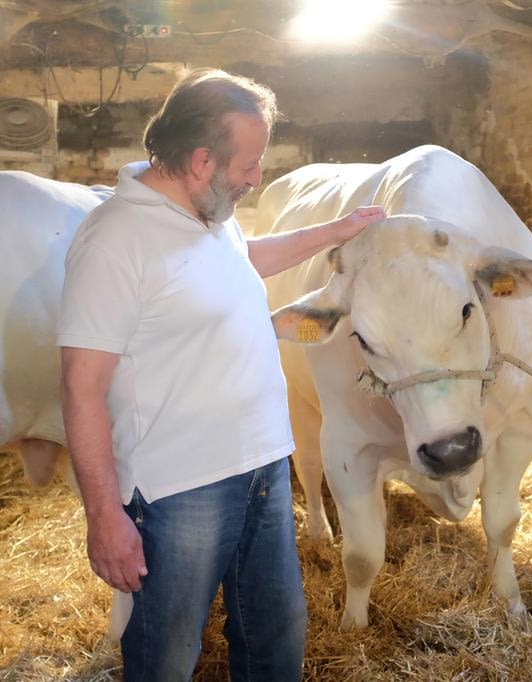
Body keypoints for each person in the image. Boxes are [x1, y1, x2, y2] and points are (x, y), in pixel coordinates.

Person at [58, 68, 385, 681]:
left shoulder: (211, 212)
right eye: (251, 163)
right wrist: (103, 516)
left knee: (275, 636)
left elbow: (244, 259)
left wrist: (337, 232)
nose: (257, 176)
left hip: (263, 465)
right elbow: (80, 385)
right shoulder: (115, 241)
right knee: (167, 654)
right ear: (203, 159)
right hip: (181, 488)